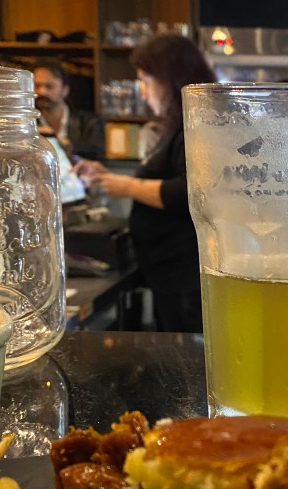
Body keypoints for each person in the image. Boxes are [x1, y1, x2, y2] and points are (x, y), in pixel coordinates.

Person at [74, 33, 216, 333]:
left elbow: (189, 190)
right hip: (169, 270)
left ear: (170, 80)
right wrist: (108, 176)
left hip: (184, 272)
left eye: (145, 81)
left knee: (185, 352)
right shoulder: (176, 127)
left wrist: (125, 186)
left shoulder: (196, 127)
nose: (143, 91)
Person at [33, 59, 105, 160]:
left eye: (49, 86)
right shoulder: (25, 123)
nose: (41, 92)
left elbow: (98, 152)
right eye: (37, 86)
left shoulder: (89, 122)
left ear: (65, 90)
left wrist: (66, 144)